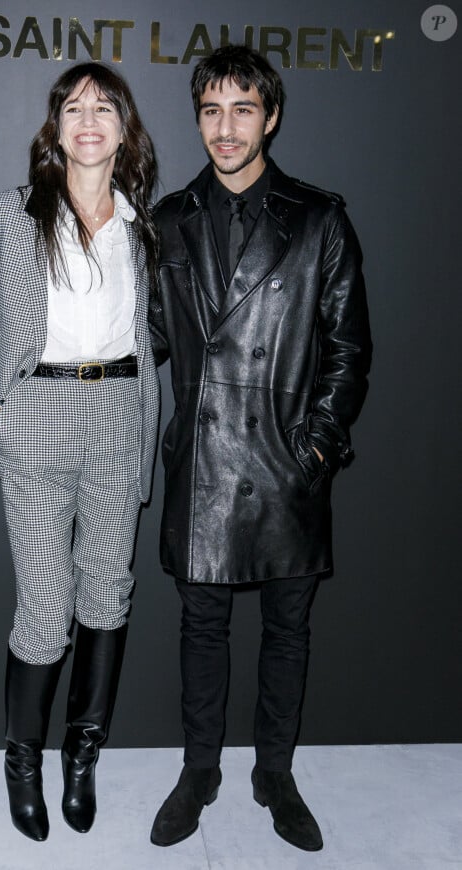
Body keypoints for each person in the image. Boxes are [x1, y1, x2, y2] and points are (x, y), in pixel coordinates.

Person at [149, 44, 371, 852]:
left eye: (243, 109)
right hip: (203, 472)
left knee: (288, 632)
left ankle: (274, 774)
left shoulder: (319, 221)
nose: (225, 127)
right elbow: (147, 341)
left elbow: (349, 351)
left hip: (286, 471)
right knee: (200, 629)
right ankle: (199, 771)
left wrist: (316, 447)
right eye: (211, 110)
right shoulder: (168, 219)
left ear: (270, 116)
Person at [0, 62, 159, 842]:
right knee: (45, 611)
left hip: (117, 412)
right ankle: (23, 760)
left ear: (122, 130)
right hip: (37, 412)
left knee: (107, 596)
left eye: (103, 107)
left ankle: (83, 757)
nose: (87, 118)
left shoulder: (143, 223)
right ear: (56, 129)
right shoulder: (9, 215)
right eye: (72, 106)